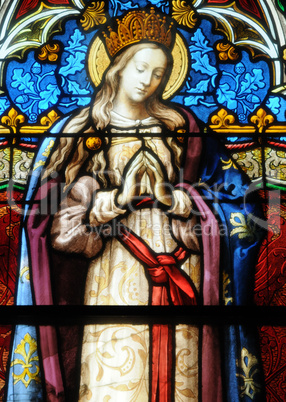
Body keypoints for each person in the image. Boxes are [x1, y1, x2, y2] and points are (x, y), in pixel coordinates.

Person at [26, 8, 265, 402]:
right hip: (112, 274)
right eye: (141, 67)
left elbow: (240, 203)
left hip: (180, 264)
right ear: (117, 67)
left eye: (159, 73)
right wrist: (110, 202)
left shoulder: (183, 127)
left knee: (182, 385)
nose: (148, 80)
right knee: (115, 380)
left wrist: (183, 201)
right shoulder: (82, 128)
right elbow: (47, 217)